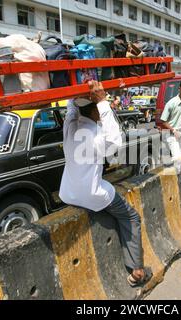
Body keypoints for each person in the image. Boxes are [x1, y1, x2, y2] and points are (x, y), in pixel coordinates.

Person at [59, 81, 151, 287]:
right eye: (98, 109)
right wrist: (102, 102)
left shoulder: (70, 125)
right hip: (92, 194)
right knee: (131, 217)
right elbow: (116, 143)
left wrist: (77, 94)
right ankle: (136, 270)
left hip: (68, 193)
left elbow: (71, 108)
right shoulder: (97, 133)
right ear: (95, 111)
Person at [160, 80, 181, 161]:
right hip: (172, 135)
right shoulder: (171, 103)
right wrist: (174, 131)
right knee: (177, 159)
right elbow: (163, 121)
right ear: (179, 89)